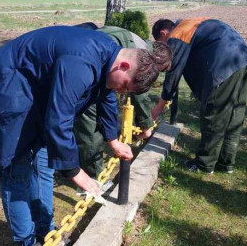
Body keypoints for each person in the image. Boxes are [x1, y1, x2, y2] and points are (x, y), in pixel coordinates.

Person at [0, 26, 161, 246]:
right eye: (125, 86)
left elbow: (105, 95)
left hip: (35, 92)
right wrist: (75, 171)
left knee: (43, 164)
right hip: (9, 85)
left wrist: (112, 140)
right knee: (16, 170)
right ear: (125, 66)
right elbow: (60, 118)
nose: (121, 92)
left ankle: (46, 230)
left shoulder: (109, 57)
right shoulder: (81, 62)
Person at [151, 18, 247, 174]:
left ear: (163, 33)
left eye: (163, 44)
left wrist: (159, 106)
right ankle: (225, 163)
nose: (166, 50)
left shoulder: (178, 33)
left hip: (224, 65)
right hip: (244, 60)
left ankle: (204, 165)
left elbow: (173, 72)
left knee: (214, 115)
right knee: (234, 115)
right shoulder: (192, 24)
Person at [73, 24, 172, 181]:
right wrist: (146, 125)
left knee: (99, 115)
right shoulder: (141, 55)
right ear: (157, 59)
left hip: (93, 69)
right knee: (90, 126)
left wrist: (113, 138)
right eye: (157, 70)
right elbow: (140, 95)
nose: (153, 75)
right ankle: (93, 177)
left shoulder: (137, 41)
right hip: (87, 74)